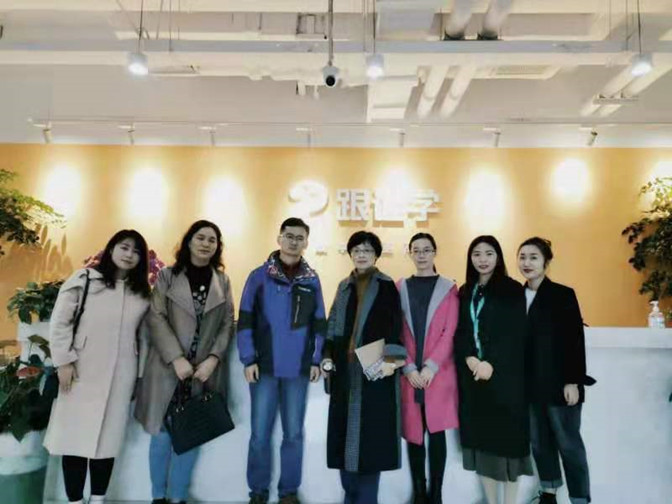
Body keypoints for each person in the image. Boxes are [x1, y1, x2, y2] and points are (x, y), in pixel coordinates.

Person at [45, 229, 151, 504]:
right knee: (74, 439)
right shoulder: (85, 280)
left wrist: (139, 376)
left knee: (108, 442)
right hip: (80, 371)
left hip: (121, 375)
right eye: (124, 247)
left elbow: (144, 337)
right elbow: (60, 322)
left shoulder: (142, 294)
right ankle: (74, 500)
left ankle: (98, 499)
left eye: (136, 251)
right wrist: (63, 361)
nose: (129, 255)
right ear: (111, 248)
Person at [135, 220, 235, 504]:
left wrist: (213, 359)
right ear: (189, 241)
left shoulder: (222, 281)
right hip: (168, 368)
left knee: (191, 435)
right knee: (162, 434)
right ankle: (158, 496)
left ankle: (178, 497)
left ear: (217, 247)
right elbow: (156, 317)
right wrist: (176, 358)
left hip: (201, 372)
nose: (206, 244)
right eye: (200, 238)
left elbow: (227, 323)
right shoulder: (167, 276)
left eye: (212, 240)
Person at [237, 217, 327, 504]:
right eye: (289, 236)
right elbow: (245, 320)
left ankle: (288, 492)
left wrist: (316, 360)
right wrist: (248, 358)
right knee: (260, 435)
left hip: (298, 370)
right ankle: (258, 491)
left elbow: (319, 323)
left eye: (300, 237)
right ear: (279, 238)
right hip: (263, 368)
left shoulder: (311, 279)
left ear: (306, 242)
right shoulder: (258, 276)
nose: (293, 242)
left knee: (294, 434)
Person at [322, 230, 407, 504]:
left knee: (371, 445)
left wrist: (389, 363)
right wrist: (326, 356)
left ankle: (367, 499)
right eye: (357, 250)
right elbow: (332, 325)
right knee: (343, 440)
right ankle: (350, 497)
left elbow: (395, 328)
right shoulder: (343, 286)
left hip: (375, 374)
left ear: (376, 255)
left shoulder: (386, 286)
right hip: (345, 374)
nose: (361, 255)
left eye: (367, 250)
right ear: (350, 254)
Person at [454, 235, 532, 504]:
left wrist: (491, 362)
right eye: (477, 254)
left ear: (498, 257)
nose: (483, 259)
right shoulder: (465, 290)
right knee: (482, 446)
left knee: (509, 446)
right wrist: (470, 359)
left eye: (489, 253)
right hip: (474, 380)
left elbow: (515, 333)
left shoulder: (512, 289)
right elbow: (460, 330)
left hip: (505, 380)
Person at [518, 237, 593, 504]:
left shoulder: (562, 294)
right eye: (522, 257)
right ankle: (548, 493)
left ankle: (580, 498)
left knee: (568, 444)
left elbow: (575, 341)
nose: (527, 263)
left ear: (546, 262)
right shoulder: (515, 296)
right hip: (530, 385)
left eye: (533, 257)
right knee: (539, 443)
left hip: (561, 384)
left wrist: (572, 381)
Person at [398, 233, 459, 504]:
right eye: (416, 250)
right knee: (414, 435)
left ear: (435, 252)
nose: (421, 255)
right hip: (410, 373)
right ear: (410, 253)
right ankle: (419, 493)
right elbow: (395, 331)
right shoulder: (400, 287)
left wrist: (431, 367)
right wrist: (409, 368)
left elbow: (450, 331)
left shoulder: (449, 288)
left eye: (426, 250)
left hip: (439, 373)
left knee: (436, 433)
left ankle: (437, 494)